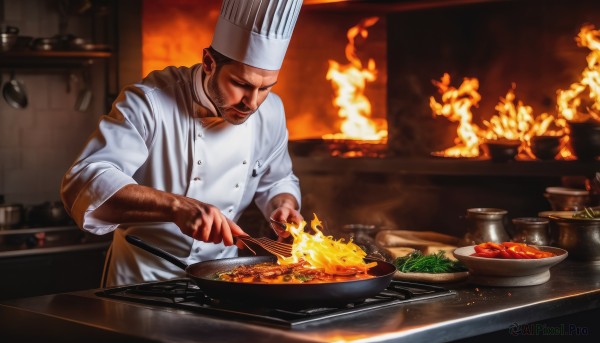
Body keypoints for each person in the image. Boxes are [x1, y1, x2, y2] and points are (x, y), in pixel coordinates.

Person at [60, 0, 304, 287]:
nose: (252, 103)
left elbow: (277, 179)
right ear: (209, 63)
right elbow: (83, 183)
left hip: (224, 277)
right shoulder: (150, 101)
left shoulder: (271, 110)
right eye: (241, 84)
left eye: (265, 88)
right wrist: (176, 207)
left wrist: (283, 205)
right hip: (143, 279)